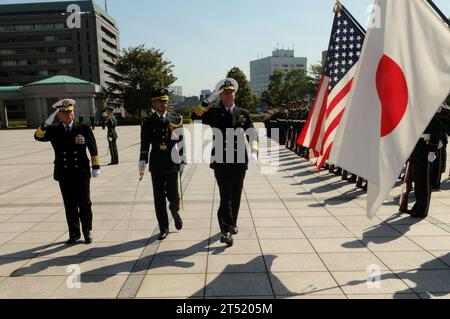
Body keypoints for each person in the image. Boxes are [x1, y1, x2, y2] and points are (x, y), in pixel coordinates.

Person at [191, 78, 258, 247]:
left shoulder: (243, 113)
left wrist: (254, 151)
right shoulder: (214, 112)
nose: (229, 95)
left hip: (239, 161)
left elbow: (252, 134)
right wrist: (207, 101)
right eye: (225, 93)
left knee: (235, 195)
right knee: (225, 196)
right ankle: (226, 230)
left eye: (231, 92)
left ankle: (231, 223)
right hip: (221, 160)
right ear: (220, 96)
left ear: (235, 94)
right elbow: (194, 117)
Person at [34, 98, 100, 244]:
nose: (68, 115)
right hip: (64, 172)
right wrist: (46, 123)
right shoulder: (54, 130)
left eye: (70, 112)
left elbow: (93, 147)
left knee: (85, 203)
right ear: (59, 115)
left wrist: (96, 166)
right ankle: (74, 233)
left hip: (81, 171)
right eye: (64, 113)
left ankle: (87, 231)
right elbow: (37, 136)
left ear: (73, 112)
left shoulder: (83, 127)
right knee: (69, 204)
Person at [138, 89, 186, 241]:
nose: (164, 104)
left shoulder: (176, 118)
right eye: (161, 101)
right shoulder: (148, 121)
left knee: (174, 195)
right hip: (157, 163)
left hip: (172, 161)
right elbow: (145, 142)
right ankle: (163, 228)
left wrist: (183, 159)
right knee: (158, 198)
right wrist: (142, 159)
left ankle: (174, 209)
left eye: (166, 101)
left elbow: (182, 141)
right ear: (154, 103)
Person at [407, 114, 441, 218]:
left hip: (426, 147)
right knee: (417, 179)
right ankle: (418, 205)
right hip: (417, 145)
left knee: (424, 180)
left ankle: (423, 209)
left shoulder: (430, 111)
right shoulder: (417, 111)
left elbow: (436, 129)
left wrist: (432, 150)